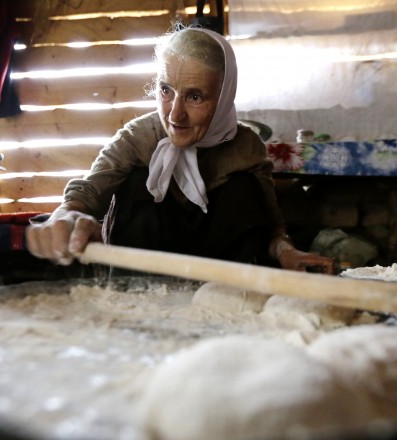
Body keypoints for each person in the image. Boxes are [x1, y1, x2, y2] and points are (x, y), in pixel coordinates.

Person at [26, 26, 335, 274]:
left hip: (222, 277)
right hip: (146, 277)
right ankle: (134, 298)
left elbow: (271, 224)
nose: (174, 115)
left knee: (243, 189)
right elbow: (87, 192)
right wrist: (68, 214)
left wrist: (286, 250)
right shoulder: (140, 137)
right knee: (138, 181)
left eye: (195, 97)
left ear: (225, 96)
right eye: (165, 90)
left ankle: (238, 298)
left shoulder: (246, 147)